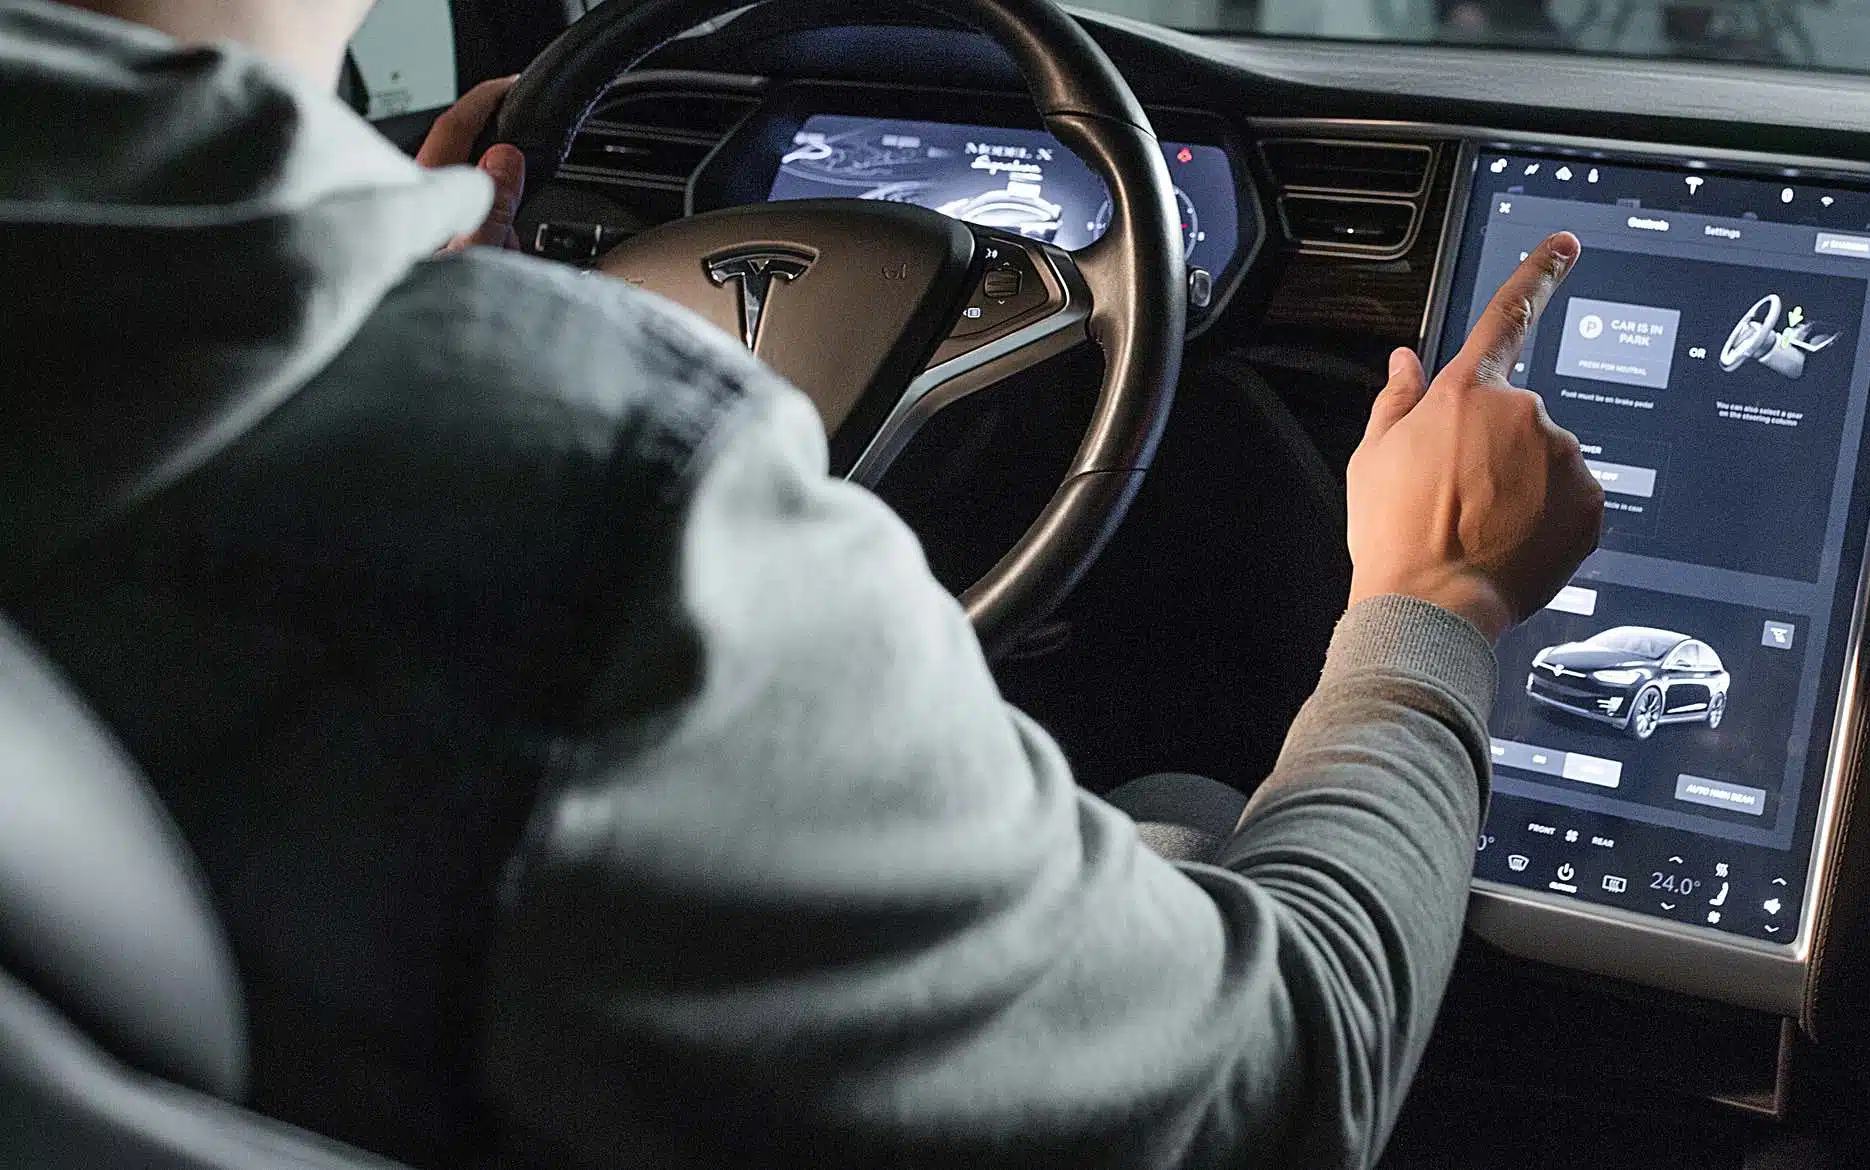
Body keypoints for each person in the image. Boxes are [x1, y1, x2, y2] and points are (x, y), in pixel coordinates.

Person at [0, 2, 1602, 1167]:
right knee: (1186, 812)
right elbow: (1274, 1083)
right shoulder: (590, 505)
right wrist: (1432, 599)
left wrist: (404, 320)